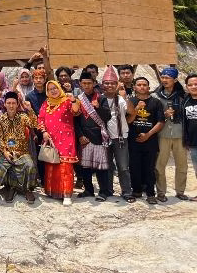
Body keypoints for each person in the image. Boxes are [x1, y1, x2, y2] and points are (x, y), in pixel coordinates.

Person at [38, 81, 80, 206]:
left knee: (65, 166)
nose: (53, 91)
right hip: (50, 139)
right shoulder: (46, 103)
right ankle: (52, 191)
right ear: (47, 91)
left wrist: (73, 100)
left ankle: (66, 195)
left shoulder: (67, 100)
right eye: (50, 89)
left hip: (66, 138)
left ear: (59, 88)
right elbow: (40, 118)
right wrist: (44, 132)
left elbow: (76, 111)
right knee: (52, 164)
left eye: (55, 88)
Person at [0, 91, 38, 204]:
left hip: (22, 152)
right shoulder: (0, 120)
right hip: (7, 152)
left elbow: (34, 124)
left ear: (17, 104)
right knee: (0, 166)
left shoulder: (23, 117)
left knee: (30, 165)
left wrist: (30, 110)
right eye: (8, 103)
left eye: (13, 103)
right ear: (5, 104)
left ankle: (27, 189)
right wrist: (5, 152)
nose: (11, 106)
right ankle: (10, 187)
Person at [152, 67, 189, 202]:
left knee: (182, 165)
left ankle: (180, 191)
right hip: (162, 134)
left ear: (175, 80)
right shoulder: (155, 96)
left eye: (167, 78)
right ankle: (161, 192)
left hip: (180, 135)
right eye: (162, 77)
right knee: (159, 165)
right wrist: (164, 115)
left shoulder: (183, 96)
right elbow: (152, 115)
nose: (164, 80)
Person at [127, 77, 165, 204]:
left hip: (150, 141)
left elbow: (160, 122)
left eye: (144, 85)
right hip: (133, 140)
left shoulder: (156, 102)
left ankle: (150, 193)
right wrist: (137, 108)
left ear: (148, 87)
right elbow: (128, 121)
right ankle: (136, 190)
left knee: (149, 168)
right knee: (134, 167)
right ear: (134, 87)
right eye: (139, 85)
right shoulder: (130, 101)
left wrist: (148, 134)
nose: (142, 87)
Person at [76, 73, 112, 201]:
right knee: (85, 166)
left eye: (89, 83)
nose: (86, 86)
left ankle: (103, 191)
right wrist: (80, 135)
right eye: (84, 83)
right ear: (80, 84)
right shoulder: (78, 99)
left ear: (94, 83)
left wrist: (98, 108)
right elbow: (75, 120)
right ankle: (89, 190)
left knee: (100, 166)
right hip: (84, 136)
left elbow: (108, 116)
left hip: (98, 135)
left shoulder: (101, 98)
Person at [100, 66, 134, 202]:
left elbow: (131, 112)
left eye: (112, 83)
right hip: (104, 138)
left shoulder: (121, 99)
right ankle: (107, 190)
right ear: (102, 84)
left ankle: (126, 192)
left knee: (123, 167)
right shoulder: (99, 99)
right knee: (106, 166)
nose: (109, 86)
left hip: (120, 138)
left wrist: (125, 97)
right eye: (107, 83)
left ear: (117, 84)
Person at [181, 73, 197, 199]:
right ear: (186, 86)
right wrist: (185, 139)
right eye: (190, 85)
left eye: (196, 84)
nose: (193, 87)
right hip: (193, 142)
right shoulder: (185, 101)